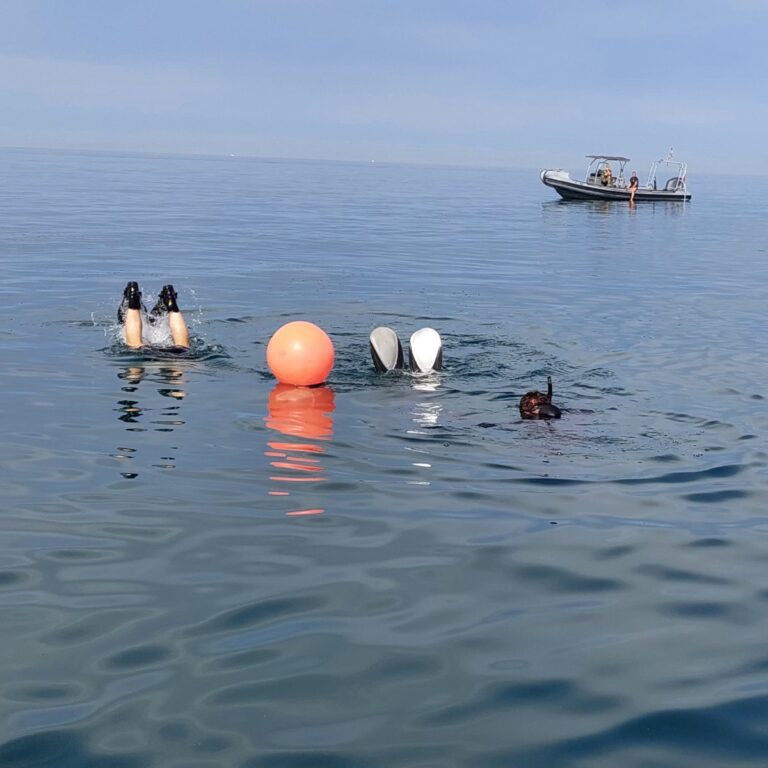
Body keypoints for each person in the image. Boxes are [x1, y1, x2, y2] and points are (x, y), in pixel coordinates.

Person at [118, 282, 190, 350]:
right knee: (182, 347)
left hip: (175, 356)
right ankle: (133, 300)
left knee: (183, 346)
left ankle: (133, 299)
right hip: (172, 359)